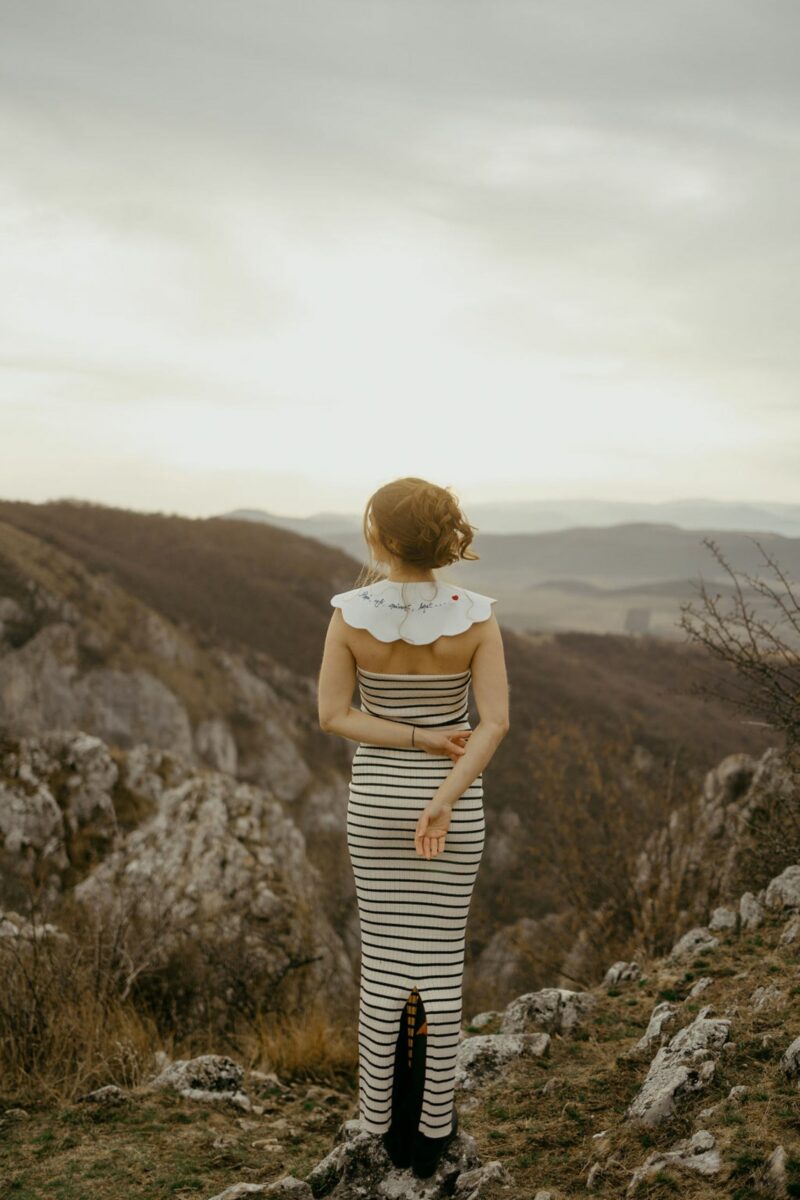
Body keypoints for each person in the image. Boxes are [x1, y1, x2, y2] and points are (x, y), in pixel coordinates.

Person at [317, 476, 510, 1179]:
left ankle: (380, 1118)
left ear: (381, 537)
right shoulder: (477, 616)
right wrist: (444, 795)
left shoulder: (348, 614)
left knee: (385, 958)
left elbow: (334, 716)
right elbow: (494, 724)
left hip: (376, 802)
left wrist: (413, 739)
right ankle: (431, 1128)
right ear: (442, 536)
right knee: (438, 957)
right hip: (451, 808)